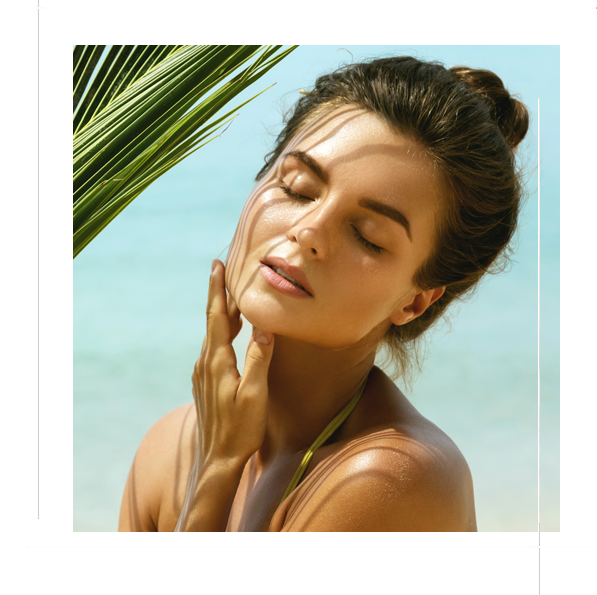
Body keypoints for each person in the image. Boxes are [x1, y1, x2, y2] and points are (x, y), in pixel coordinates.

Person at [119, 55, 530, 532]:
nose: (308, 231)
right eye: (297, 188)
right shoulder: (170, 446)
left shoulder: (393, 477)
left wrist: (216, 469)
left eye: (369, 235)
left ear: (414, 301)